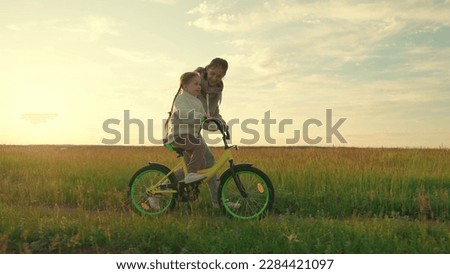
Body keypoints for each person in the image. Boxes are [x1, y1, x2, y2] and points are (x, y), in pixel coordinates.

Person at [194, 58, 229, 208]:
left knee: (205, 163)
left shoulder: (216, 92)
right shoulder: (194, 83)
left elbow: (214, 114)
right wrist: (200, 116)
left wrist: (222, 124)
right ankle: (155, 194)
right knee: (204, 163)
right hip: (182, 128)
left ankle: (217, 201)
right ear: (207, 69)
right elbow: (183, 104)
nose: (215, 78)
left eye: (219, 76)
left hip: (194, 130)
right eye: (212, 73)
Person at [165, 71, 208, 184]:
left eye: (199, 84)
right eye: (195, 84)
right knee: (200, 145)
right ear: (184, 86)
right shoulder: (181, 99)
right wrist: (201, 116)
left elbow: (205, 120)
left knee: (202, 163)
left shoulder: (198, 102)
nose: (199, 87)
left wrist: (217, 124)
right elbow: (184, 113)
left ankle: (169, 183)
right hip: (179, 136)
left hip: (189, 137)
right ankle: (190, 175)